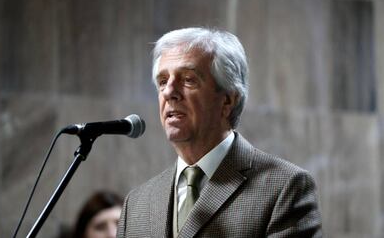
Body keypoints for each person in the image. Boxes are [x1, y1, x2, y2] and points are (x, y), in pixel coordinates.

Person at [117, 27, 322, 237]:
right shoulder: (136, 204)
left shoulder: (285, 187)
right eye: (162, 82)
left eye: (188, 79)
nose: (169, 92)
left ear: (228, 100)